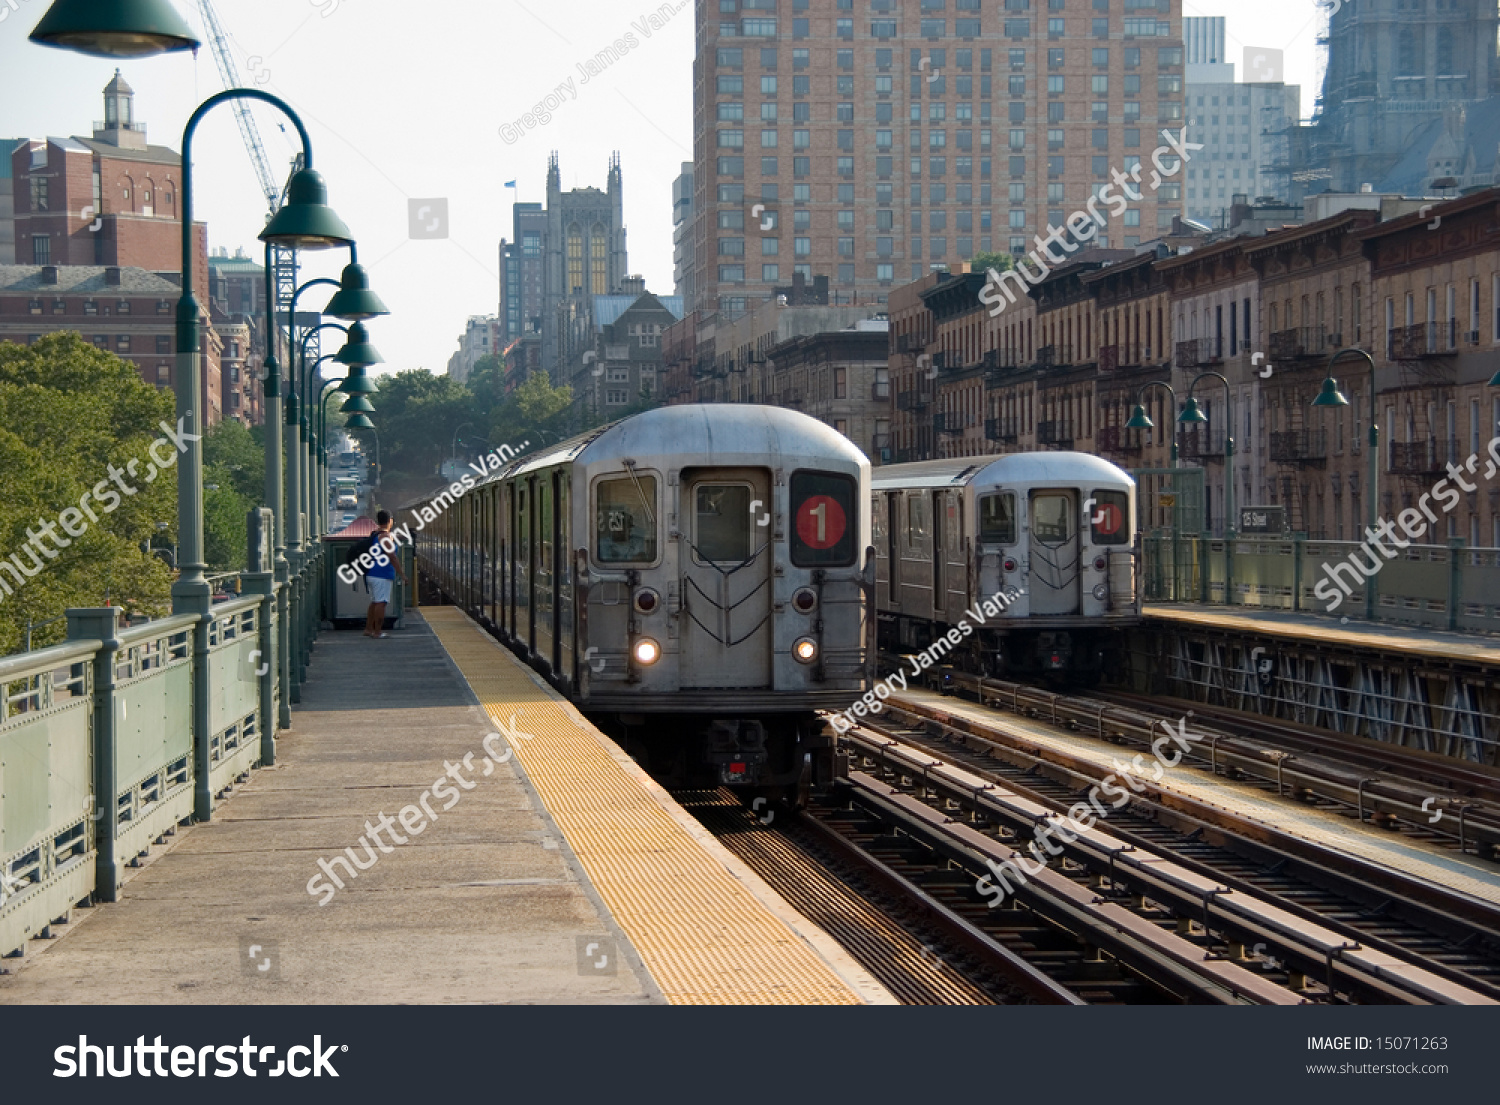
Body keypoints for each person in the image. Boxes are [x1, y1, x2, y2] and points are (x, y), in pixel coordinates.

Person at [364, 510, 406, 638]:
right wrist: (402, 574)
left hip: (372, 573)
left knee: (375, 602)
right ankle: (377, 632)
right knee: (381, 603)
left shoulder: (377, 534)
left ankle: (368, 629)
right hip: (381, 575)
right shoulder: (386, 537)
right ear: (390, 521)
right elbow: (392, 557)